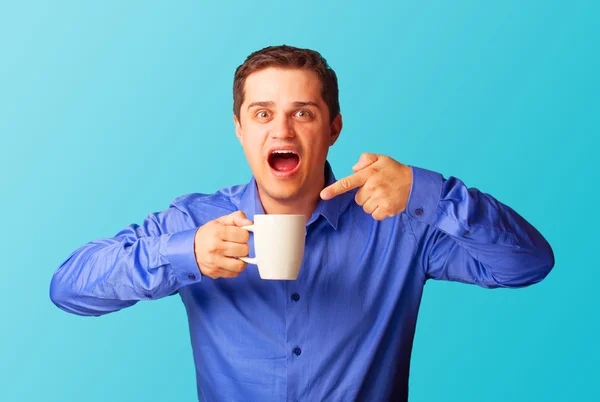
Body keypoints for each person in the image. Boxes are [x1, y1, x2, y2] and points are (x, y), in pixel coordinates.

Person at [50, 45, 554, 402]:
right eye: (263, 113)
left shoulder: (400, 219)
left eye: (304, 113)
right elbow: (69, 288)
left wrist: (431, 192)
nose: (282, 129)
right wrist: (185, 254)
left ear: (333, 127)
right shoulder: (195, 220)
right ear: (240, 129)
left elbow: (527, 265)